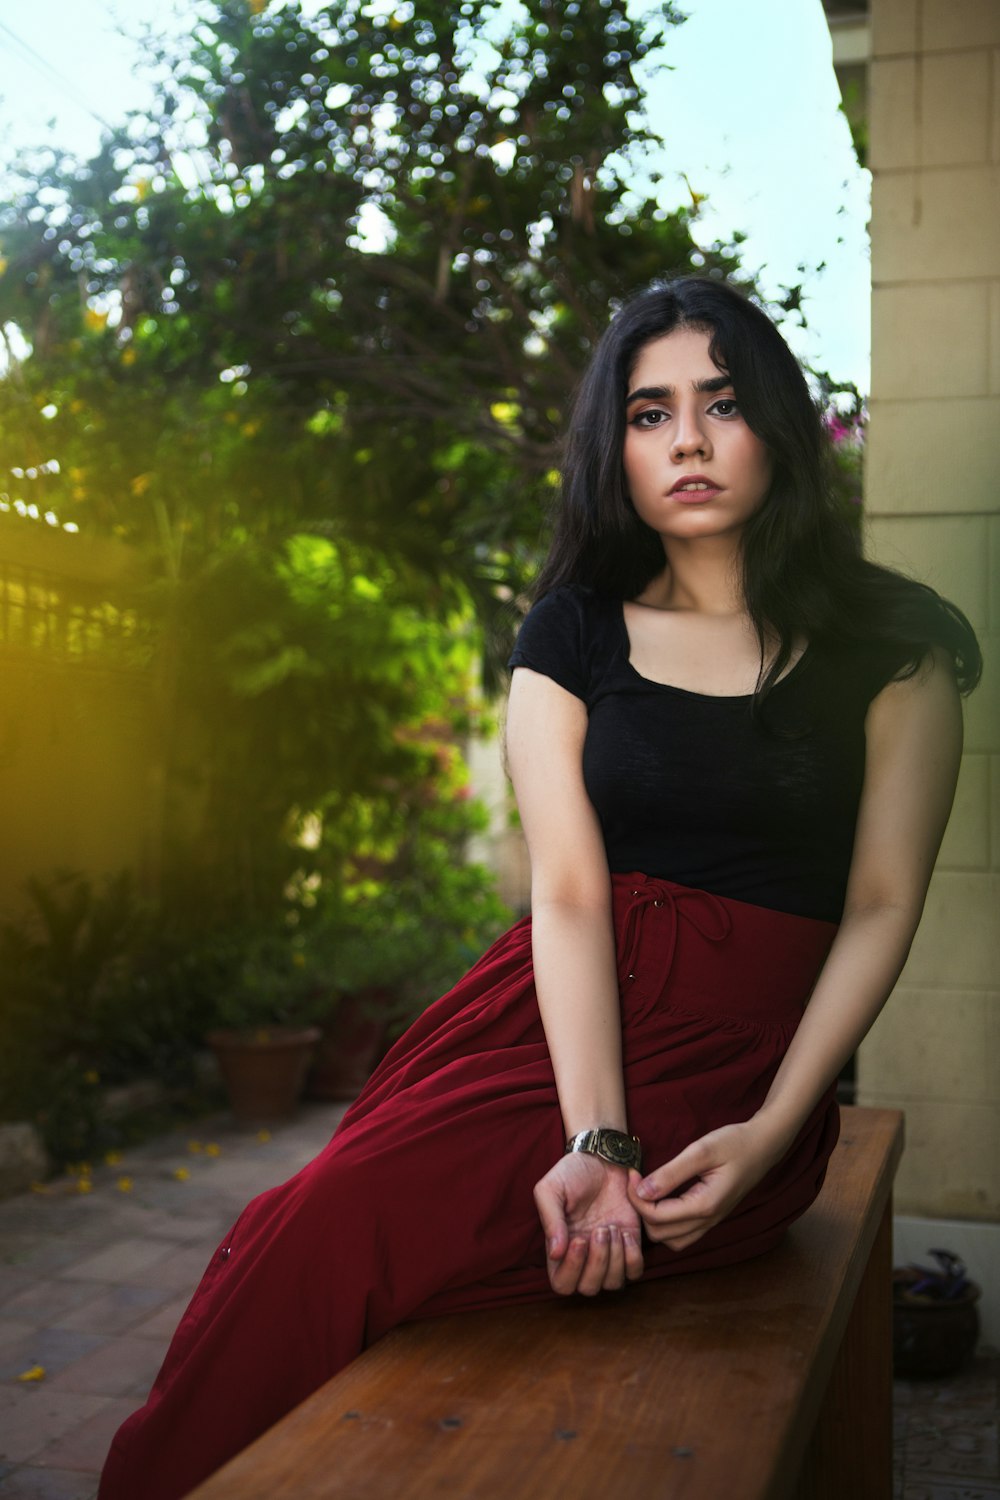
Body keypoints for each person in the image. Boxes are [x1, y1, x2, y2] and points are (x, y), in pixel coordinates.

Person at [99, 276, 980, 1499]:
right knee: (309, 1225)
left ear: (774, 420)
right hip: (555, 1028)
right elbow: (568, 893)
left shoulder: (897, 647)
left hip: (737, 1074)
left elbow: (882, 902)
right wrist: (596, 1137)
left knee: (367, 1241)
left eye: (720, 403)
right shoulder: (569, 632)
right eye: (647, 411)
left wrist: (778, 1128)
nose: (685, 440)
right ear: (610, 447)